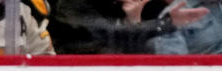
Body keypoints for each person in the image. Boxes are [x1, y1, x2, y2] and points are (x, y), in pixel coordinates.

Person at [48, 0, 208, 52]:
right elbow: (107, 34)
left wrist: (134, 19)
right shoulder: (70, 5)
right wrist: (165, 23)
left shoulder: (146, 7)